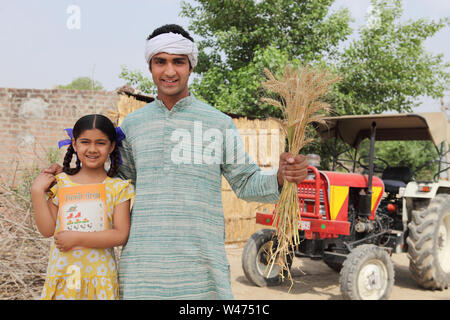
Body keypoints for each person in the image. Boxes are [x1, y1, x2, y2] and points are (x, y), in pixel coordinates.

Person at [44, 24, 308, 300]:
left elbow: (245, 181)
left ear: (190, 66)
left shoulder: (219, 123)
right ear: (150, 66)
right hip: (143, 265)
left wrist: (281, 176)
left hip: (201, 262)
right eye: (160, 61)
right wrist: (70, 176)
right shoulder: (133, 124)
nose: (169, 71)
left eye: (178, 62)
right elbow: (115, 183)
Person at [32, 114, 135, 300]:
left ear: (112, 146)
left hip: (100, 279)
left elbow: (120, 235)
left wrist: (78, 238)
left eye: (101, 143)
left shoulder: (118, 188)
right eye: (85, 142)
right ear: (74, 144)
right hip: (64, 276)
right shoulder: (61, 183)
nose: (92, 149)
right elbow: (47, 230)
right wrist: (37, 192)